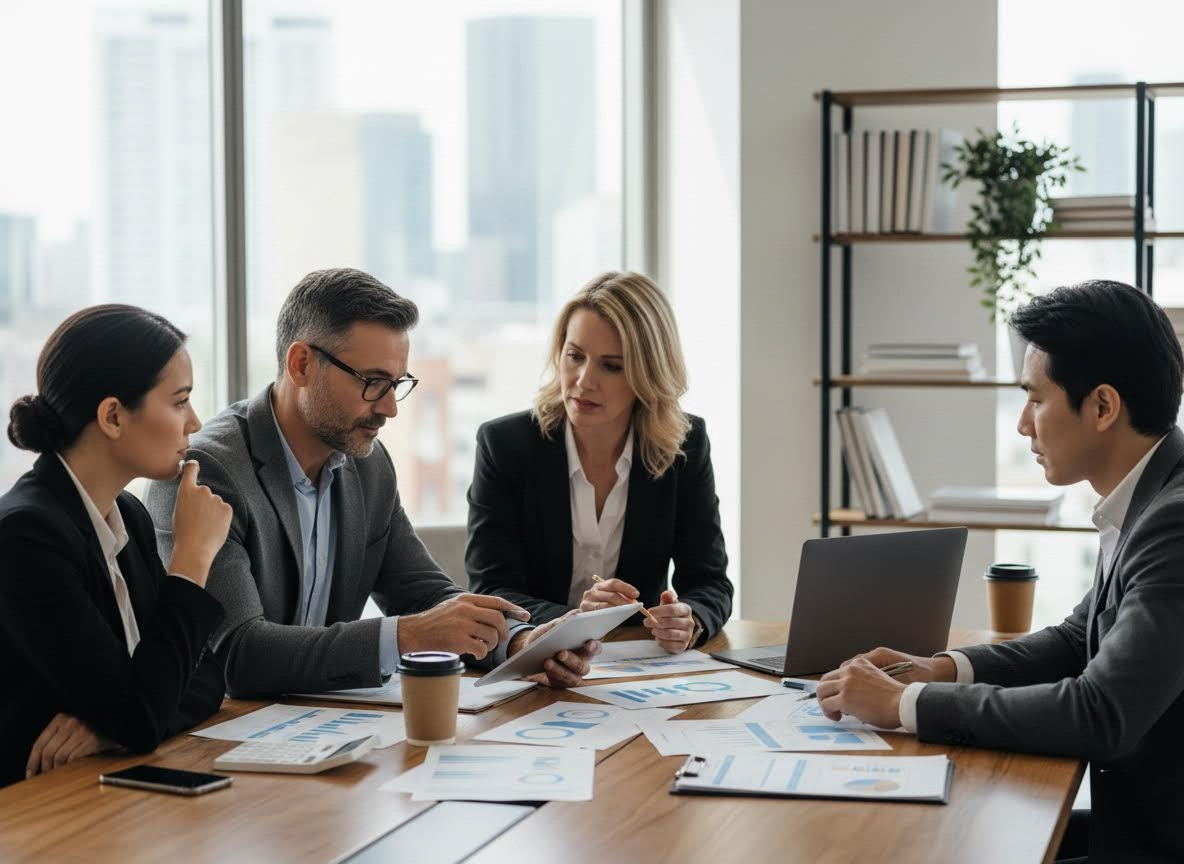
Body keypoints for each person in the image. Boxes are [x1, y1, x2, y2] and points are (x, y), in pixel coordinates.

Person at [816, 280, 1184, 861]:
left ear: (1104, 406)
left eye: (1036, 399)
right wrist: (937, 671)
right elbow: (1074, 639)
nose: (1022, 425)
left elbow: (1098, 712)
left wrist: (900, 706)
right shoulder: (1152, 496)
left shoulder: (1174, 523)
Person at [144, 268, 596, 698]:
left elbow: (424, 594)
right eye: (373, 382)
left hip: (321, 729)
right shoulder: (207, 473)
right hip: (218, 742)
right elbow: (238, 657)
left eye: (397, 384)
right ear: (301, 364)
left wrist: (521, 644)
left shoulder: (366, 462)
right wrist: (407, 636)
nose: (389, 409)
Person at [0, 305, 231, 787]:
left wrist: (111, 729)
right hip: (32, 813)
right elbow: (141, 712)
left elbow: (206, 680)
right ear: (112, 416)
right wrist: (192, 560)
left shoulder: (130, 515)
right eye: (179, 401)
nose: (195, 421)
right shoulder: (26, 537)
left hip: (101, 783)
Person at [466, 271, 733, 653]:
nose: (583, 380)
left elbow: (711, 583)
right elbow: (492, 589)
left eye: (611, 366)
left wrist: (690, 619)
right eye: (575, 356)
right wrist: (573, 621)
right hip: (539, 661)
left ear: (648, 372)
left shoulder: (684, 446)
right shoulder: (506, 445)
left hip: (637, 664)